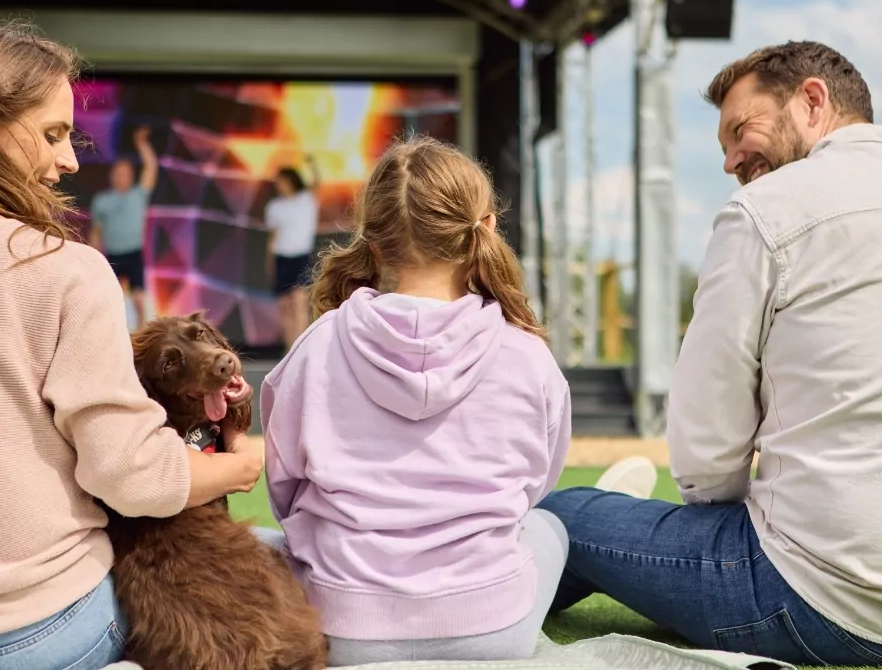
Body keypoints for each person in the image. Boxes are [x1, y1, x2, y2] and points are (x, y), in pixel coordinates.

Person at [0, 22, 264, 669]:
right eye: (52, 134)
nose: (71, 161)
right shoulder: (63, 269)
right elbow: (131, 478)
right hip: (40, 633)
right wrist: (236, 468)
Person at [538, 40, 882, 666]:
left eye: (739, 130)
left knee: (565, 514)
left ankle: (468, 599)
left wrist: (712, 499)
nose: (728, 162)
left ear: (812, 100)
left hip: (823, 599)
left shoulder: (767, 210)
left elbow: (707, 447)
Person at [260, 136, 572, 666]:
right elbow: (536, 485)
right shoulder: (528, 355)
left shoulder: (314, 348)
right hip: (493, 634)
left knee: (263, 543)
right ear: (487, 229)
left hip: (340, 630)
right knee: (550, 526)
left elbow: (284, 492)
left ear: (373, 243)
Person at [89, 126, 158, 328]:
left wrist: (141, 144)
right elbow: (96, 231)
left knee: (138, 298)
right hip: (113, 255)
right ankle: (113, 334)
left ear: (131, 176)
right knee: (112, 299)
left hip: (134, 254)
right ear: (113, 175)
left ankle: (144, 335)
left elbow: (151, 167)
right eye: (118, 172)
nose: (121, 176)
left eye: (126, 172)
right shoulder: (102, 201)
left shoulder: (138, 195)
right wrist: (96, 258)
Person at [264, 157, 319, 350]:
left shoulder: (307, 200)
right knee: (285, 306)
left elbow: (316, 182)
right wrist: (270, 261)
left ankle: (302, 347)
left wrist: (312, 164)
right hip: (281, 257)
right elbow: (273, 237)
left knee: (300, 302)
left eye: (280, 179)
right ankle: (289, 349)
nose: (277, 184)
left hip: (300, 256)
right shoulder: (274, 207)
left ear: (290, 180)